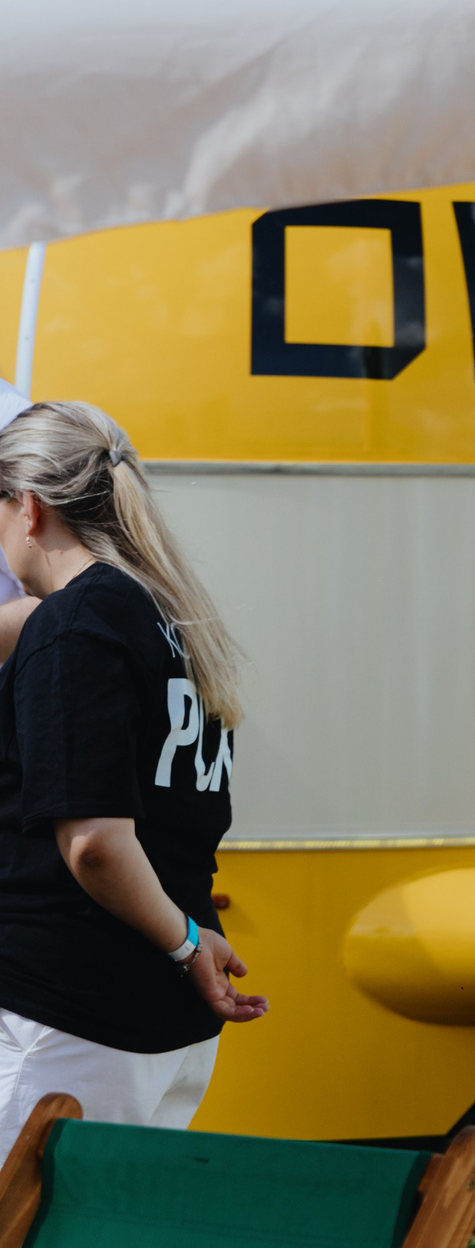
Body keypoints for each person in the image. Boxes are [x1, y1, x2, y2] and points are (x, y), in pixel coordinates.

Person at [0, 402, 266, 1143]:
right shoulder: (168, 616)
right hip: (160, 1025)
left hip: (66, 1017)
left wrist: (184, 943)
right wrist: (186, 941)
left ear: (30, 506)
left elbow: (95, 843)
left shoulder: (74, 626)